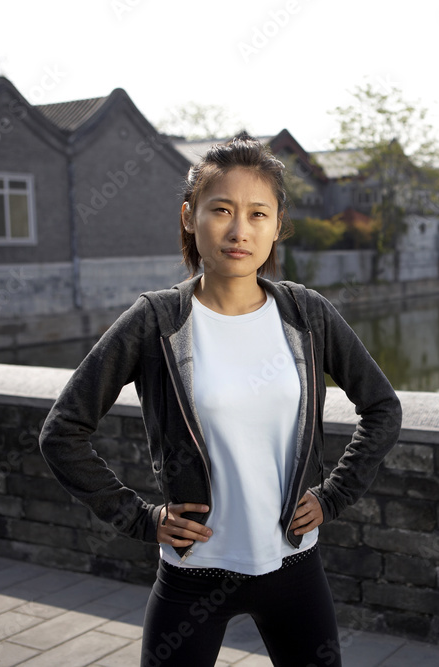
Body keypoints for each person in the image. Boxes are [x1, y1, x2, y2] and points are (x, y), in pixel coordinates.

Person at [39, 133, 402, 666]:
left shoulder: (307, 315)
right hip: (193, 574)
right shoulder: (156, 321)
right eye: (222, 210)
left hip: (293, 566)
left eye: (258, 214)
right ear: (190, 216)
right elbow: (62, 431)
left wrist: (332, 497)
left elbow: (382, 408)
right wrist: (141, 518)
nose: (239, 230)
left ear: (277, 226)